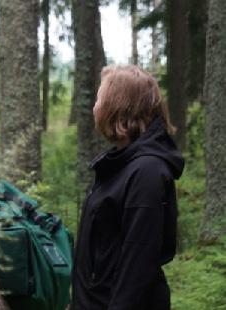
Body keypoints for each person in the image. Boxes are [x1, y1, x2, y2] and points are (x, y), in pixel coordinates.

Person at [70, 65, 185, 310]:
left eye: (100, 99)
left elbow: (138, 263)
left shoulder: (147, 172)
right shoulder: (120, 166)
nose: (95, 107)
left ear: (118, 107)